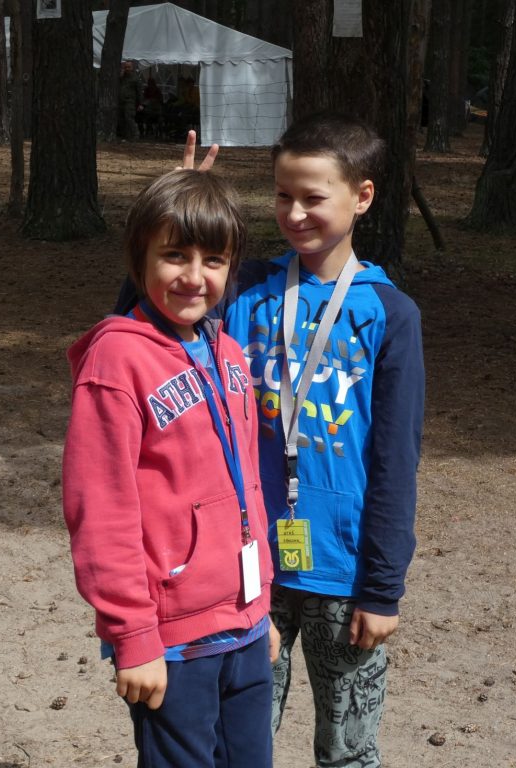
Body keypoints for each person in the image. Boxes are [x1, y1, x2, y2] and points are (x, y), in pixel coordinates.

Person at [181, 113, 425, 767]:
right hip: (246, 567)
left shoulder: (390, 314)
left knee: (348, 750)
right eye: (282, 195)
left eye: (313, 197)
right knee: (236, 743)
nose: (293, 213)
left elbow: (396, 461)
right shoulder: (245, 291)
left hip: (342, 572)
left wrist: (382, 588)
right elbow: (148, 314)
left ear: (362, 197)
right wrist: (180, 211)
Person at [63, 169, 279, 767]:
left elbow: (248, 485)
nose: (194, 276)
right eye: (175, 255)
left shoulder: (227, 352)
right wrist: (133, 636)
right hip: (174, 639)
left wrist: (260, 605)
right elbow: (100, 511)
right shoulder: (116, 361)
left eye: (214, 260)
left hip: (244, 624)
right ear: (140, 258)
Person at [118, 60, 143, 141]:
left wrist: (140, 103)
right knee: (121, 119)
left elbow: (139, 92)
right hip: (121, 101)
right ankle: (126, 135)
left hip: (130, 101)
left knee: (129, 117)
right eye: (125, 67)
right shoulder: (122, 77)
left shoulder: (135, 79)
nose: (127, 69)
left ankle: (135, 134)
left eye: (129, 67)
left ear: (132, 68)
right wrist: (121, 76)